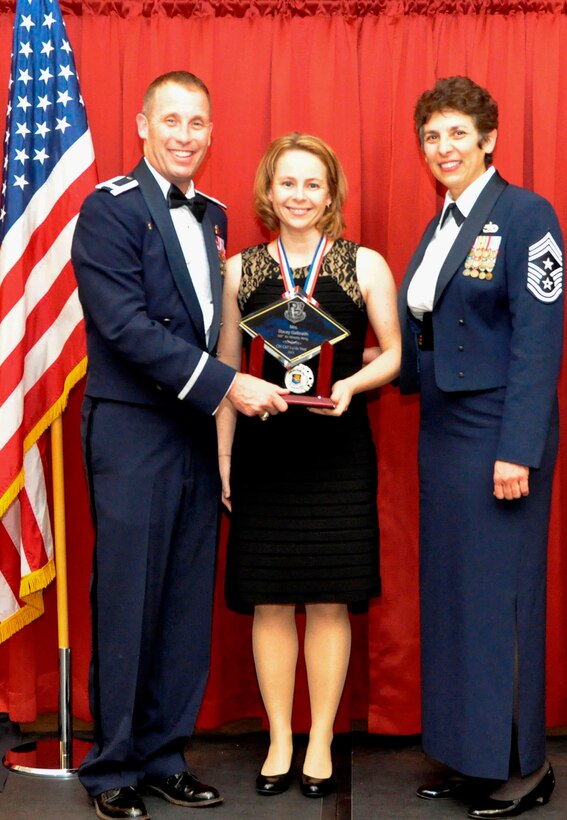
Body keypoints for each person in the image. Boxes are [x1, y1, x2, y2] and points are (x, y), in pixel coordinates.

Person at [72, 71, 288, 820]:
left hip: (194, 430)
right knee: (130, 596)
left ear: (212, 131)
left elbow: (218, 321)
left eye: (198, 122)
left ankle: (165, 755)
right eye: (172, 120)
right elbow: (124, 328)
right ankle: (112, 769)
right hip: (133, 427)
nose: (186, 134)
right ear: (142, 124)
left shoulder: (217, 214)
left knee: (184, 601)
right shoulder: (107, 210)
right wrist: (229, 385)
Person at [398, 76, 564, 819]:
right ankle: (472, 757)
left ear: (489, 138)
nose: (445, 148)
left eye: (458, 133)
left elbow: (537, 341)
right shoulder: (440, 224)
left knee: (503, 602)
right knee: (458, 601)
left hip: (498, 432)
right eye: (432, 136)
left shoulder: (528, 216)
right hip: (442, 435)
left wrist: (517, 450)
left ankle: (525, 769)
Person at [215, 133, 400, 799]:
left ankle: (320, 737)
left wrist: (353, 386)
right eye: (287, 183)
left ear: (331, 196)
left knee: (327, 601)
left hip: (336, 451)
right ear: (269, 191)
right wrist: (226, 459)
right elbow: (227, 373)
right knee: (268, 601)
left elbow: (393, 353)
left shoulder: (365, 264)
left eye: (312, 185)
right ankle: (279, 738)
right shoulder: (239, 270)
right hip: (265, 453)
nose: (299, 196)